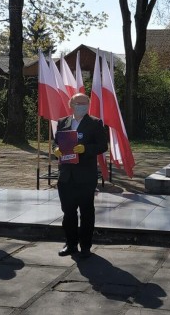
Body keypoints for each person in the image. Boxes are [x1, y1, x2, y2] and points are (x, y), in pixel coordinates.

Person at [52, 93, 108, 258]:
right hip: (66, 176)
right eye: (78, 103)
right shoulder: (63, 122)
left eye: (85, 103)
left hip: (85, 176)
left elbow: (102, 146)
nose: (82, 105)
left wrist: (86, 149)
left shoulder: (95, 123)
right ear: (71, 104)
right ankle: (70, 244)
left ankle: (85, 247)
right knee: (68, 212)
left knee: (86, 212)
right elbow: (56, 141)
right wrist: (56, 149)